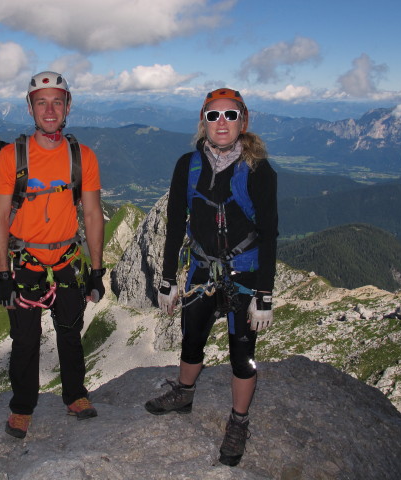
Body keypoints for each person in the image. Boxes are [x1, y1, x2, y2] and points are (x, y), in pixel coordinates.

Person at [144, 88, 278, 466]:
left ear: (244, 122)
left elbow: (269, 232)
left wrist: (264, 294)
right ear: (203, 121)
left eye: (231, 116)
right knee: (192, 337)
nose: (222, 123)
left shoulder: (258, 170)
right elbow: (174, 223)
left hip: (245, 272)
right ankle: (184, 393)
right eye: (214, 115)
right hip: (203, 269)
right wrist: (168, 278)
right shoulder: (187, 165)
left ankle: (238, 422)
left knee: (242, 354)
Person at [0, 71, 105, 439]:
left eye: (57, 101)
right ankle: (22, 407)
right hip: (26, 263)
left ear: (68, 105)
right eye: (42, 102)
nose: (50, 109)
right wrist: (2, 274)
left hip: (67, 260)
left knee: (71, 332)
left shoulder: (82, 156)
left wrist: (97, 271)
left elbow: (91, 214)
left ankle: (75, 396)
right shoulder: (11, 157)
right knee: (25, 339)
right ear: (30, 108)